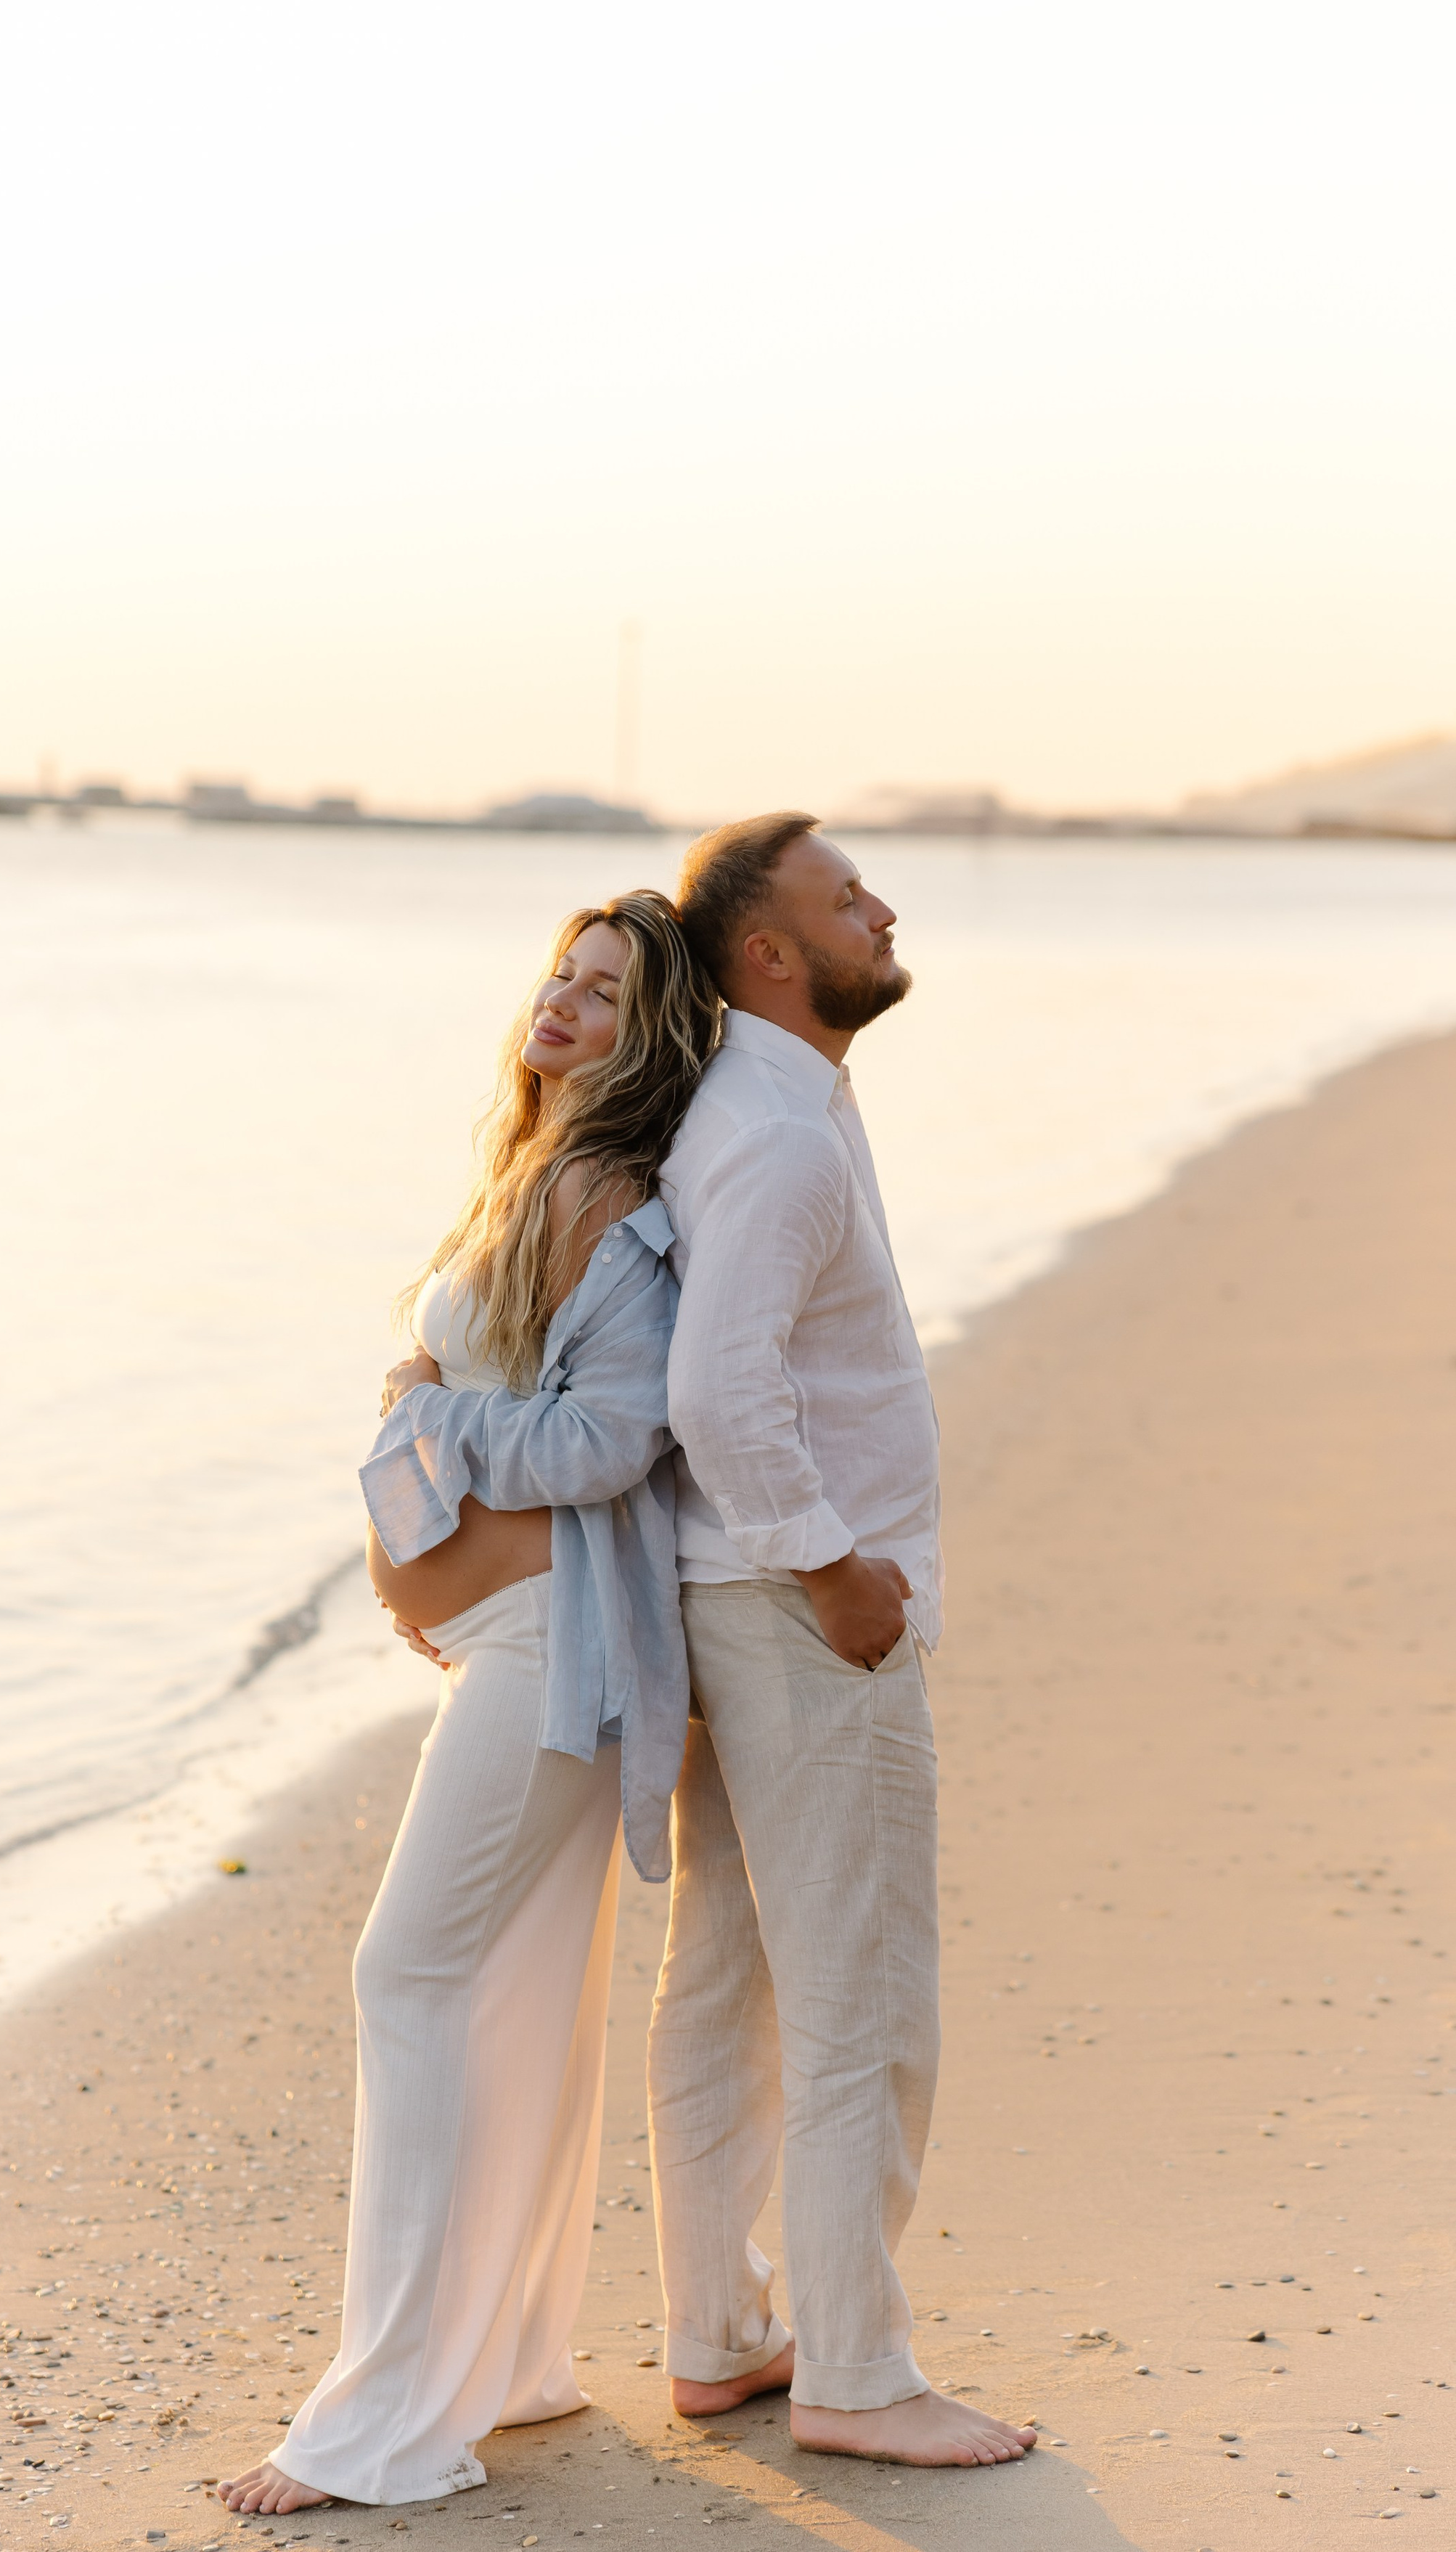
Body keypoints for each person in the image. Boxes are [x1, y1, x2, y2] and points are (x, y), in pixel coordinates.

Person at [220, 890, 721, 2516]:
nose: (562, 1005)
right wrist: (422, 1419)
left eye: (603, 991)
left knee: (411, 1973)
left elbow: (604, 1441)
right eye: (558, 976)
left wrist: (429, 1432)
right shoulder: (527, 1169)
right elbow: (492, 1397)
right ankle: (498, 2358)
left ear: (651, 1033)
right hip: (519, 1639)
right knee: (507, 1988)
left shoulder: (603, 1194)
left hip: (555, 1655)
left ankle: (382, 2420)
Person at [650, 812, 1035, 2471]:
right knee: (861, 1992)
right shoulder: (781, 1133)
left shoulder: (750, 1101)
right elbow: (716, 1387)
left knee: (730, 1977)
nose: (881, 908)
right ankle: (857, 2375)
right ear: (768, 953)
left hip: (721, 1595)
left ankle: (722, 2331)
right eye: (842, 896)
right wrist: (833, 1567)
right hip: (798, 1612)